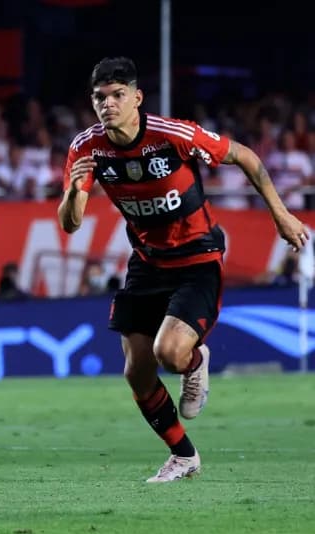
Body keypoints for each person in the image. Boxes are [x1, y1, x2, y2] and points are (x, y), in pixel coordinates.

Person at [58, 57, 309, 483]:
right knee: (136, 372)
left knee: (169, 354)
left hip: (197, 257)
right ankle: (184, 456)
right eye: (100, 97)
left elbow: (244, 156)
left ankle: (194, 362)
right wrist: (73, 192)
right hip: (147, 262)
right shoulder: (86, 147)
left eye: (118, 95)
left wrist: (281, 214)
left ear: (137, 98)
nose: (108, 104)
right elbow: (70, 223)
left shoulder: (172, 135)